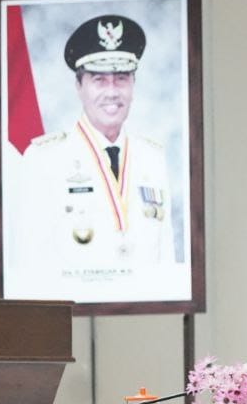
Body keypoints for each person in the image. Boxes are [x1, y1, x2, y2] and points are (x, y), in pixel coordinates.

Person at [16, 14, 174, 287]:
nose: (112, 92)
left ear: (133, 85)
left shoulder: (153, 158)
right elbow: (31, 262)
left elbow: (166, 259)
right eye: (99, 80)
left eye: (121, 78)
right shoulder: (44, 159)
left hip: (145, 311)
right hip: (73, 314)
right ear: (79, 86)